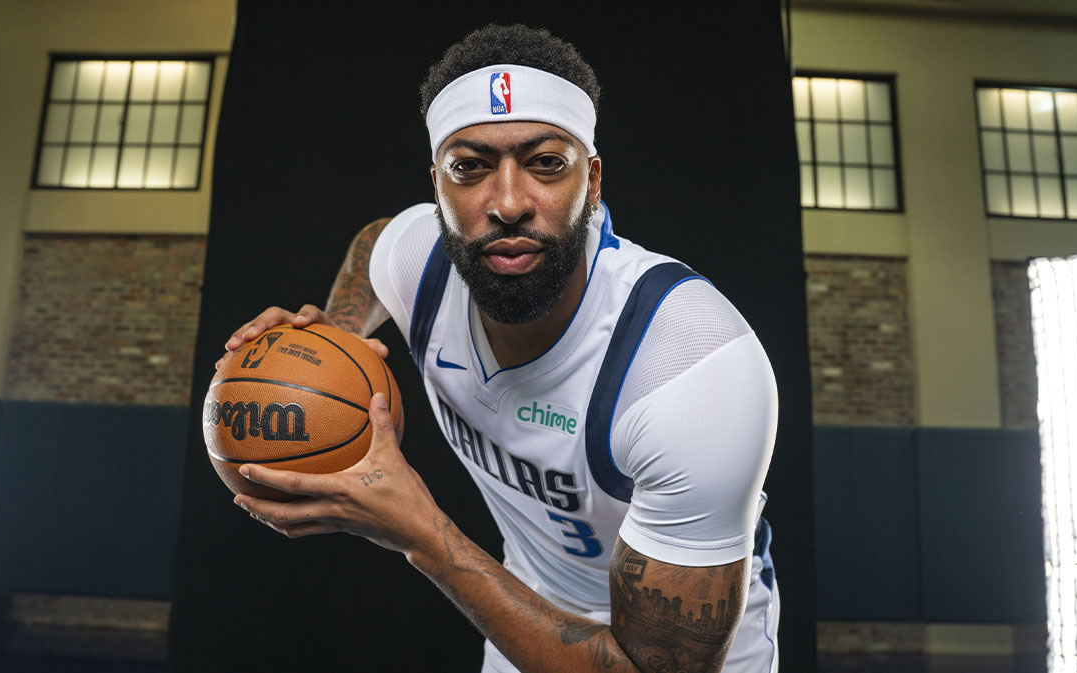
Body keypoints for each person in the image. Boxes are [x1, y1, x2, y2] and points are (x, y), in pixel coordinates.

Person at [219, 24, 779, 673]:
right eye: (470, 167)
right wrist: (338, 339)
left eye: (546, 163)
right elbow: (376, 241)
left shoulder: (690, 368)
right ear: (437, 187)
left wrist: (426, 537)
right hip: (519, 612)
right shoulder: (419, 261)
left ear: (593, 180)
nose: (509, 203)